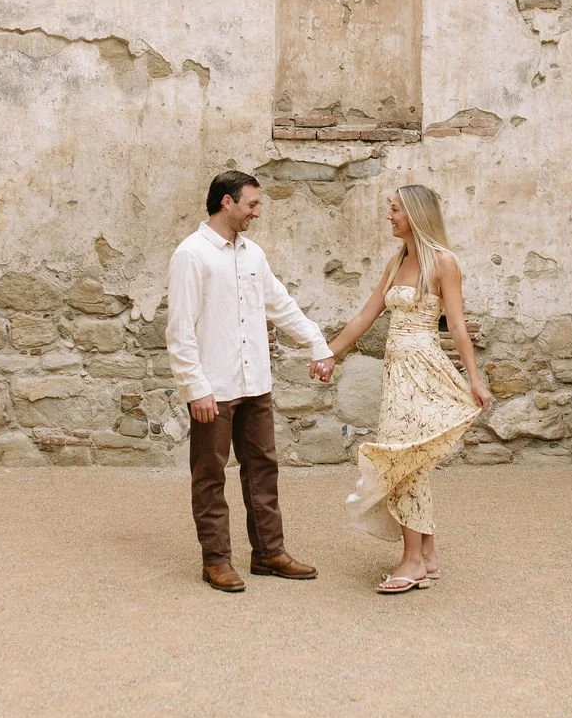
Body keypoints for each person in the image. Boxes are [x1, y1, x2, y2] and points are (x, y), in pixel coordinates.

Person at [311, 185, 493, 594]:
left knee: (404, 459)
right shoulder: (396, 262)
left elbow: (458, 326)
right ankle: (426, 556)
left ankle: (411, 561)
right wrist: (328, 355)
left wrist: (475, 380)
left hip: (425, 368)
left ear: (414, 214)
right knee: (409, 459)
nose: (388, 216)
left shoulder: (444, 263)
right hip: (397, 374)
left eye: (394, 209)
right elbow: (364, 316)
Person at [166, 170, 334, 593]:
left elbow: (280, 304)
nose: (257, 212)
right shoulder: (191, 254)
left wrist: (318, 343)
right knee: (210, 474)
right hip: (213, 388)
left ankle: (268, 553)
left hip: (255, 381)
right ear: (227, 202)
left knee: (263, 469)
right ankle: (216, 560)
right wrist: (195, 387)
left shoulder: (254, 254)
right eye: (252, 204)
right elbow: (179, 330)